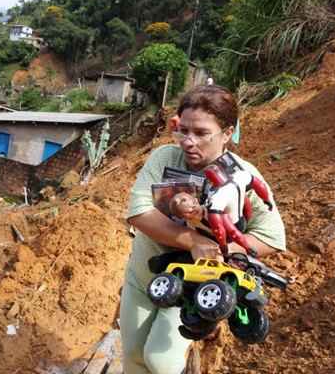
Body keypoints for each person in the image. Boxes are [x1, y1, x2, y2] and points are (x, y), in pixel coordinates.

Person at [120, 85, 286, 374]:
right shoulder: (164, 158)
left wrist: (223, 251)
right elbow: (139, 212)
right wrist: (193, 240)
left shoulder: (243, 177)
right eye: (182, 130)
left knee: (161, 362)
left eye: (200, 133)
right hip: (144, 277)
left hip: (194, 286)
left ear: (226, 133)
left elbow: (271, 237)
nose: (188, 141)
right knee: (134, 356)